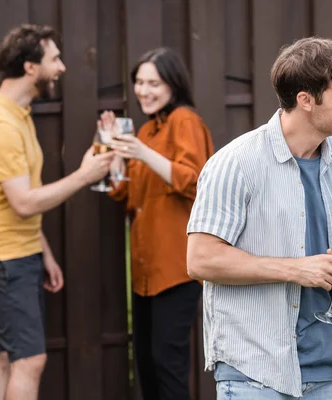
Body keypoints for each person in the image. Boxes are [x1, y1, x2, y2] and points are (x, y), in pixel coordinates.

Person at [186, 37, 332, 399]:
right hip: (256, 374)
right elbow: (200, 259)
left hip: (328, 372)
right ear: (305, 99)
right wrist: (296, 269)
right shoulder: (236, 163)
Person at [0, 24, 114, 400]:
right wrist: (84, 175)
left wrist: (43, 252)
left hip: (18, 253)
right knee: (29, 362)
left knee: (11, 358)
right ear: (30, 67)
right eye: (54, 59)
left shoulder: (18, 115)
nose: (61, 67)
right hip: (2, 258)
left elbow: (18, 200)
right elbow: (24, 202)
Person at [104, 47, 214, 400]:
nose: (144, 91)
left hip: (177, 269)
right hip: (146, 273)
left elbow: (195, 180)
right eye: (139, 82)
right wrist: (114, 153)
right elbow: (125, 194)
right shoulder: (148, 129)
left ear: (172, 85)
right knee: (148, 365)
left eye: (154, 82)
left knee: (168, 363)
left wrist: (140, 152)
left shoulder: (185, 120)